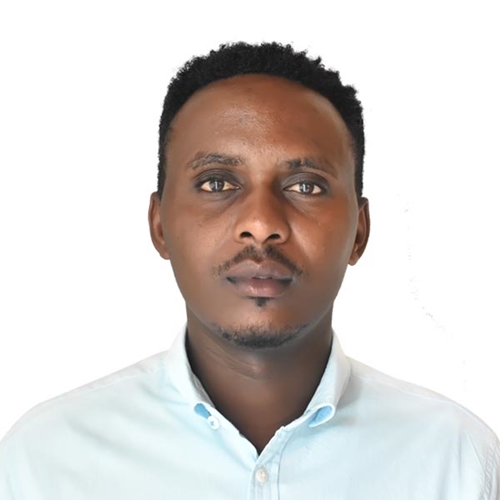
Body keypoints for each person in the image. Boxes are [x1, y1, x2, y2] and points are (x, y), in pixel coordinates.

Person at [0, 42, 498, 500]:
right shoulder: (43, 461)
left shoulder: (457, 461)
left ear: (359, 232)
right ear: (159, 225)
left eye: (306, 186)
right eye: (217, 183)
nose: (261, 224)